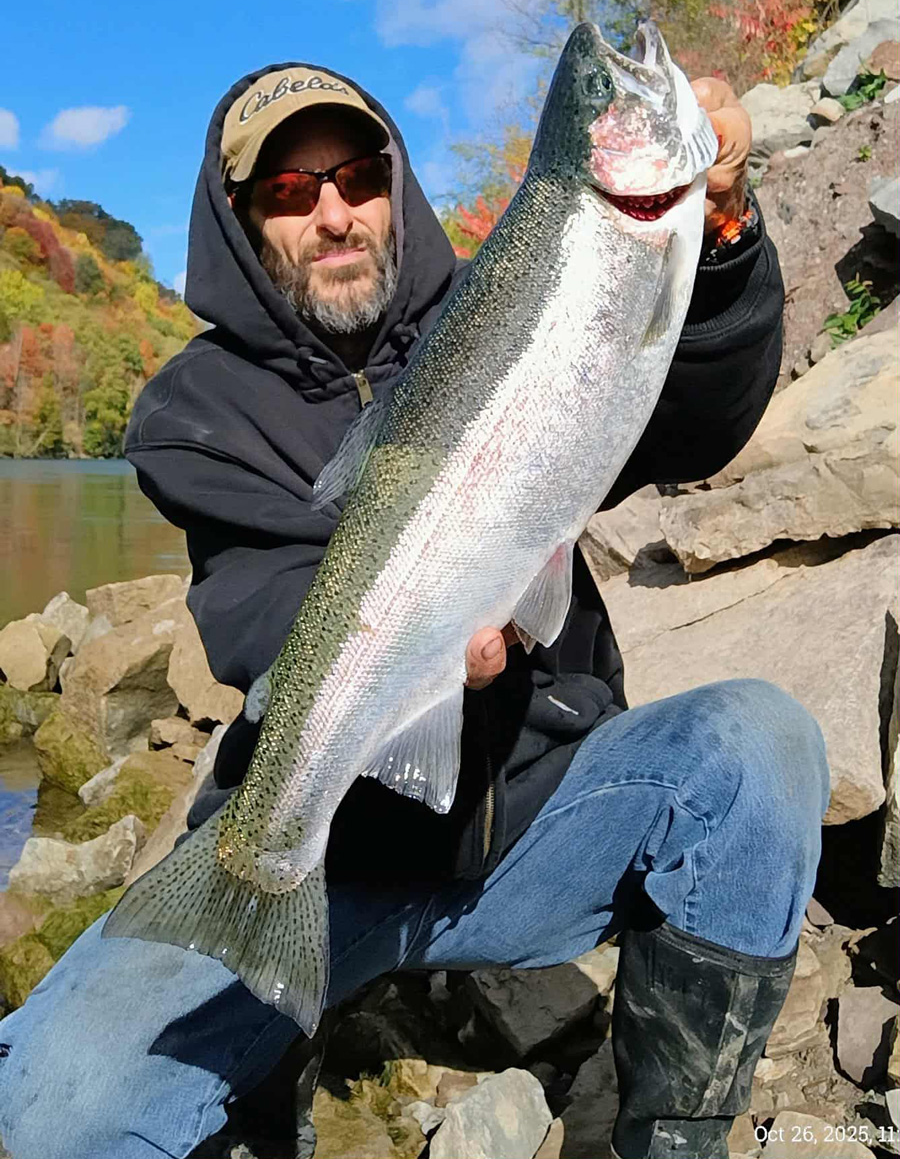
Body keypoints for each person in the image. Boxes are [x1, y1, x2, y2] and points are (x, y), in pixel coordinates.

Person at [0, 59, 829, 1159]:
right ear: (243, 223)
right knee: (51, 1109)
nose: (333, 212)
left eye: (355, 176)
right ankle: (266, 1027)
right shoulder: (191, 411)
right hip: (326, 852)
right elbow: (264, 613)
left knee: (761, 744)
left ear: (397, 185)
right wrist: (423, 657)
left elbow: (691, 420)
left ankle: (669, 1137)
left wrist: (719, 232)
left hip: (540, 819)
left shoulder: (530, 290)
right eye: (290, 193)